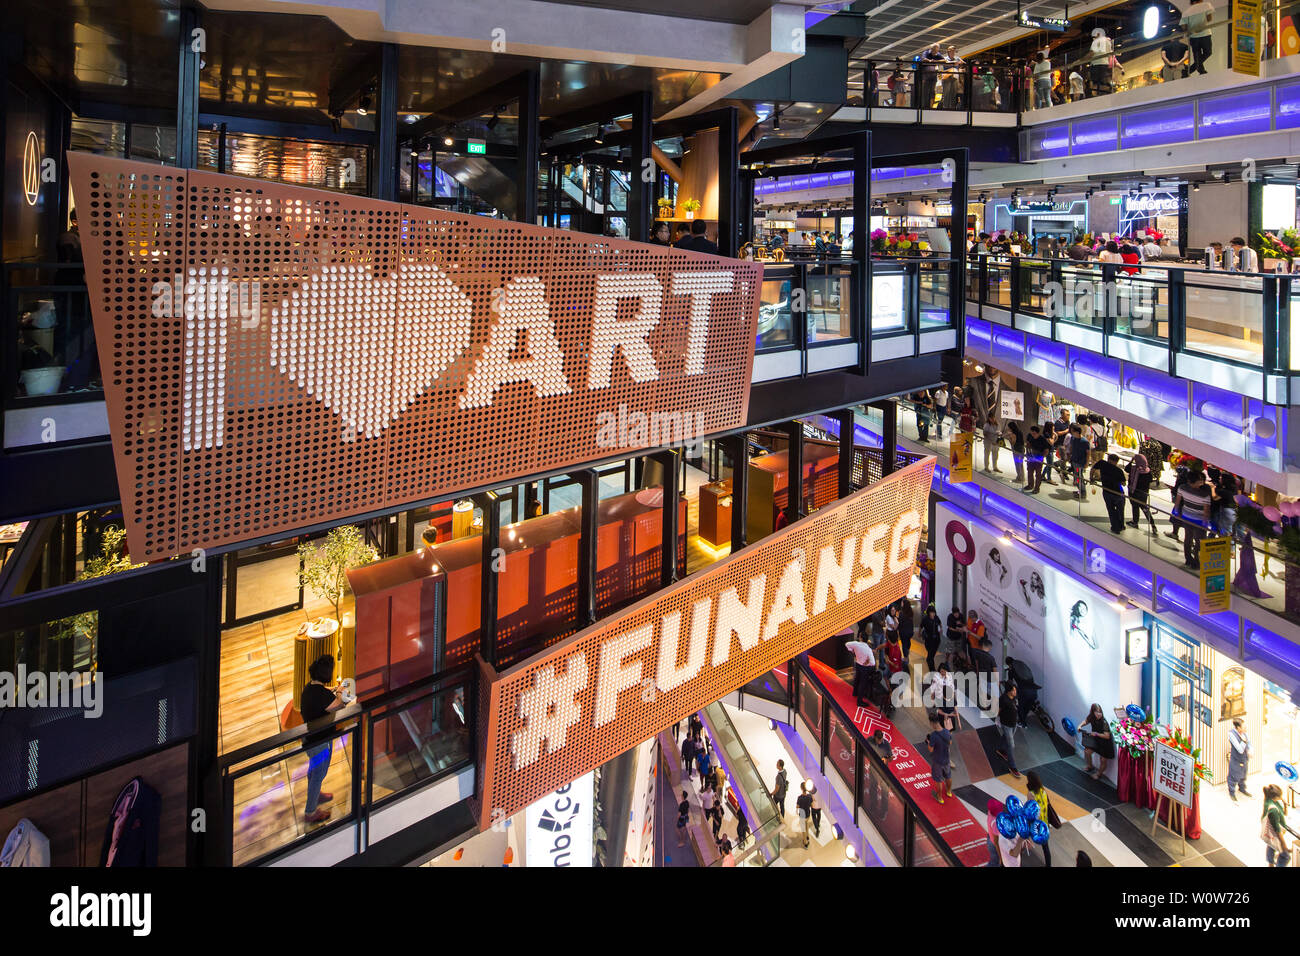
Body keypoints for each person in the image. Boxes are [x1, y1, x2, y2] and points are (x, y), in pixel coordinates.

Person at [301, 654, 348, 823]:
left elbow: (324, 695)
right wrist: (341, 692)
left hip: (310, 739)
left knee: (315, 771)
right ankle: (311, 812)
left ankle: (316, 793)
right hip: (319, 743)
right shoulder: (323, 697)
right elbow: (340, 705)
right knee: (319, 771)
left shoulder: (309, 688)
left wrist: (334, 691)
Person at [1174, 469, 1213, 568]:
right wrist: (1206, 523)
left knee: (1188, 538)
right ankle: (1196, 561)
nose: (1201, 482)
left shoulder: (1182, 488)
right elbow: (1206, 511)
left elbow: (1177, 502)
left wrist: (1176, 512)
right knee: (1199, 541)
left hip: (1186, 516)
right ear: (1193, 481)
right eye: (1199, 480)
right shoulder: (1204, 495)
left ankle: (1188, 559)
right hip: (1199, 521)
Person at [1091, 452, 1128, 534]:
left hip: (1107, 491)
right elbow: (1123, 483)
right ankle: (1121, 525)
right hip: (1118, 493)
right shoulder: (1119, 471)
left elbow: (1093, 469)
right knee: (1120, 510)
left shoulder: (1102, 463)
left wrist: (1091, 478)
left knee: (1111, 510)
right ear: (1116, 462)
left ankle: (1115, 527)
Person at [1025, 770, 1056, 866]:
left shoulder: (1031, 794)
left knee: (1023, 837)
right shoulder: (1044, 791)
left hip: (1035, 823)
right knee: (1045, 847)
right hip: (1044, 823)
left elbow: (1030, 811)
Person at [1079, 702, 1115, 779]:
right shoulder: (1091, 717)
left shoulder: (1104, 722)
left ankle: (1099, 774)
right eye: (1097, 712)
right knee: (1087, 751)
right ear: (1093, 712)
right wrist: (1080, 725)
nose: (1099, 714)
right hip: (1096, 740)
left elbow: (1107, 736)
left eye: (1100, 712)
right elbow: (1086, 721)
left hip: (1105, 743)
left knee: (1103, 760)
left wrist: (1096, 734)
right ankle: (1090, 766)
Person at [1126, 452, 1158, 532]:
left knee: (1135, 507)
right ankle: (1153, 525)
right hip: (1143, 494)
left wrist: (1131, 461)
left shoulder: (1134, 469)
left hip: (1134, 492)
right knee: (1145, 509)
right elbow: (1150, 481)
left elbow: (1126, 469)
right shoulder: (1147, 471)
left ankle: (1135, 522)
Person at [926, 713, 953, 804]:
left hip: (937, 761)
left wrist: (928, 742)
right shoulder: (946, 731)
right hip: (946, 759)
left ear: (932, 723)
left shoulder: (933, 735)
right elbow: (950, 743)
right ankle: (949, 792)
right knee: (948, 776)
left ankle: (940, 797)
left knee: (939, 780)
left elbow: (930, 749)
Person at [996, 682, 1022, 778]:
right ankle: (1013, 767)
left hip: (1014, 723)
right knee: (1011, 745)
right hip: (1006, 724)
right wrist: (998, 719)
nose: (1015, 691)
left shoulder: (1014, 697)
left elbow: (1016, 707)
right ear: (1009, 691)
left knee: (1007, 737)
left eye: (1015, 689)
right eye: (1013, 690)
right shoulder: (1003, 699)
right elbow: (998, 711)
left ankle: (1001, 750)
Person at [1262, 784, 1291, 866]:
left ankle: (1270, 863)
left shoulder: (1269, 801)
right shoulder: (1273, 810)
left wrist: (1285, 804)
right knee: (1286, 856)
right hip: (1275, 834)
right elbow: (1277, 830)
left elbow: (1284, 813)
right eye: (1280, 796)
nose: (1281, 797)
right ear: (1275, 796)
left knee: (1271, 846)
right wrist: (1284, 845)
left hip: (1270, 833)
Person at [1182, 0, 1214, 75]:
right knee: (1207, 53)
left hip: (1194, 36)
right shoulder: (1206, 5)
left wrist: (1192, 28)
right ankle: (1200, 71)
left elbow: (1184, 26)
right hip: (1204, 34)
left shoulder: (1186, 12)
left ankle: (1189, 71)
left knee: (1199, 55)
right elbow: (1209, 18)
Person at [846, 633, 877, 706]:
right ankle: (859, 702)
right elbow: (873, 663)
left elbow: (847, 644)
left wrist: (852, 651)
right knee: (862, 684)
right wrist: (867, 663)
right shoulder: (868, 649)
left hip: (858, 664)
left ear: (861, 638)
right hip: (864, 667)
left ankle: (855, 693)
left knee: (857, 679)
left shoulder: (856, 644)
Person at [1227, 718, 1253, 802]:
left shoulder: (1245, 733)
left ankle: (1242, 788)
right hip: (1236, 759)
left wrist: (1250, 750)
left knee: (1243, 775)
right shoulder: (1231, 734)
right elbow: (1240, 749)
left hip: (1244, 758)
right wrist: (1244, 741)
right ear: (1238, 728)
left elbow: (1249, 743)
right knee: (1233, 776)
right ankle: (1232, 793)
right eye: (1244, 727)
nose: (1246, 728)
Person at [1025, 424, 1051, 493]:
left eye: (1034, 433)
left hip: (1038, 459)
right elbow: (1027, 445)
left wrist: (1041, 457)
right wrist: (1027, 454)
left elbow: (1046, 450)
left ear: (1038, 433)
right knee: (1030, 471)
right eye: (1032, 433)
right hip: (1030, 458)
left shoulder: (1042, 440)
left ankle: (1037, 488)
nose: (1033, 435)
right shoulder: (1030, 436)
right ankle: (1030, 485)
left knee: (1038, 474)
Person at [933, 661, 959, 732]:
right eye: (941, 671)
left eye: (945, 671)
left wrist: (954, 698)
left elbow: (953, 688)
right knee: (941, 711)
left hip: (948, 697)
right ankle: (942, 726)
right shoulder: (936, 677)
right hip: (940, 697)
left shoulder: (949, 677)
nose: (943, 673)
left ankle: (948, 727)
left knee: (948, 712)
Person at [1067, 424, 1091, 498]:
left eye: (1072, 431)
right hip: (1074, 460)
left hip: (1080, 462)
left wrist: (1087, 463)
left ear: (1077, 432)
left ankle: (1083, 492)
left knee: (1079, 477)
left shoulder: (1084, 442)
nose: (1071, 432)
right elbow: (1071, 447)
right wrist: (1069, 456)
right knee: (1076, 476)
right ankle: (1080, 490)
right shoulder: (1073, 439)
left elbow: (1088, 453)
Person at [1089, 28, 1114, 95]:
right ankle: (1105, 94)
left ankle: (1098, 96)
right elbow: (1109, 54)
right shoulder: (1108, 42)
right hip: (1105, 64)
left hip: (1096, 64)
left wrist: (1079, 61)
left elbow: (1091, 53)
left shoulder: (1096, 41)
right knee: (1102, 82)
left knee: (1095, 85)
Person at [921, 604, 943, 673]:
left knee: (930, 657)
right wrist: (919, 633)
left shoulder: (936, 617)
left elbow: (940, 623)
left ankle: (932, 671)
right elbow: (921, 626)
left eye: (934, 612)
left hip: (936, 640)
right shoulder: (925, 619)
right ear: (928, 612)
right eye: (931, 612)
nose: (933, 614)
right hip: (928, 640)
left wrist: (941, 629)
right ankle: (933, 671)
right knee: (930, 656)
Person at [1004, 418, 1025, 483]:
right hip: (1021, 449)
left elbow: (1013, 443)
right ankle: (1021, 477)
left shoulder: (1013, 434)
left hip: (1016, 450)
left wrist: (1009, 437)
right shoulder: (1020, 432)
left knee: (1017, 464)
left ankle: (1019, 478)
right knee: (1021, 464)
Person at [795, 784, 814, 848]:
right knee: (806, 824)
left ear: (801, 788)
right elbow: (812, 805)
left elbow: (797, 806)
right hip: (808, 813)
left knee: (803, 829)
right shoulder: (809, 796)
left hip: (802, 814)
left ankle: (805, 842)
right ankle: (808, 836)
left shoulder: (799, 798)